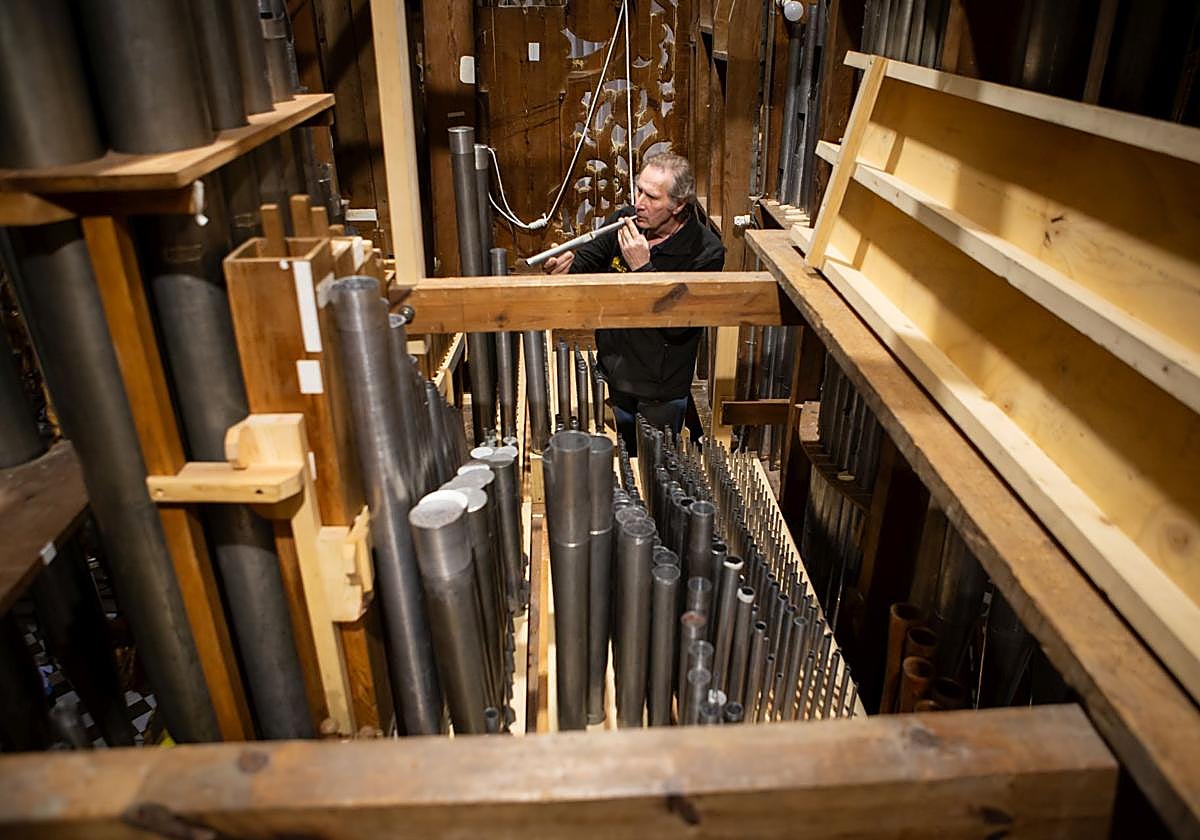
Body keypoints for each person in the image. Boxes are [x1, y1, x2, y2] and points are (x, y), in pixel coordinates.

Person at [545, 153, 725, 455]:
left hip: (660, 392)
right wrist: (559, 265)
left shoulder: (706, 252)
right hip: (615, 374)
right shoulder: (624, 222)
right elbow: (582, 266)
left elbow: (680, 326)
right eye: (638, 190)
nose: (639, 202)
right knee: (626, 459)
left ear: (678, 204)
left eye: (652, 197)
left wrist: (643, 269)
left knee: (657, 467)